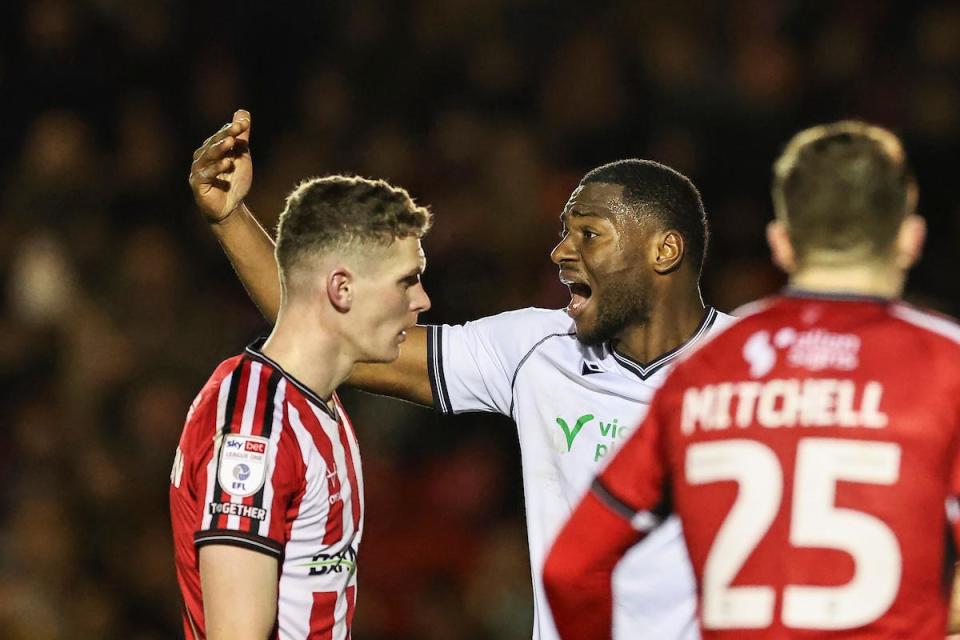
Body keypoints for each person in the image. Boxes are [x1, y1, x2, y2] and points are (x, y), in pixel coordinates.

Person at [188, 110, 735, 639]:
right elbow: (324, 326)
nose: (561, 251)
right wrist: (229, 218)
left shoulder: (756, 372)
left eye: (588, 234)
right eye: (564, 232)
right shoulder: (537, 350)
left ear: (665, 251)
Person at [544, 121, 960, 639]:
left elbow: (569, 569)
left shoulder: (703, 372)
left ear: (781, 243)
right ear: (910, 238)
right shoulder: (945, 368)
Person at [169, 170, 432, 639]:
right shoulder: (256, 426)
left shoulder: (315, 404)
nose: (422, 301)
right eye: (406, 281)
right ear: (341, 289)